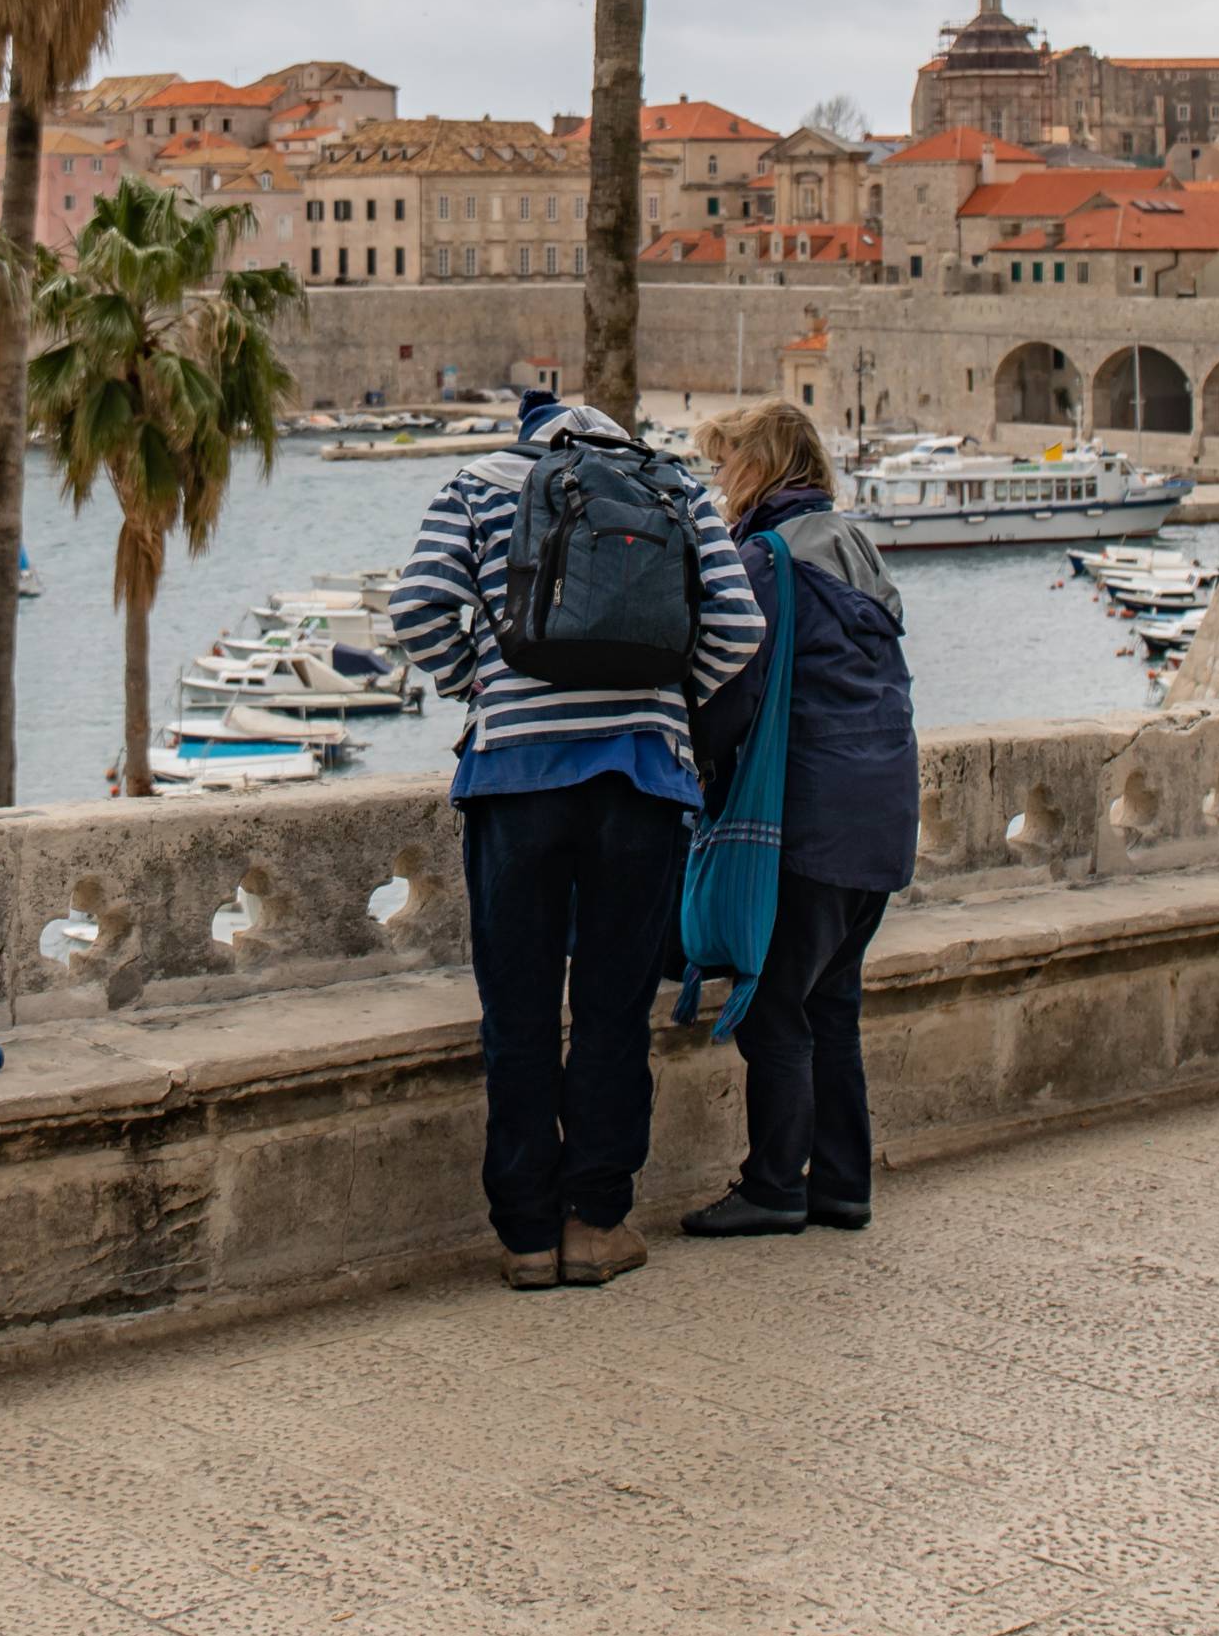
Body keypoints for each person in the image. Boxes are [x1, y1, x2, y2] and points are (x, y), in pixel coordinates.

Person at [391, 389, 765, 1291]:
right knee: (611, 1009)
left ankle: (524, 1236)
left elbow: (416, 610)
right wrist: (668, 701)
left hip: (514, 776)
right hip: (641, 780)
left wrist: (481, 692)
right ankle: (595, 1222)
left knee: (516, 1011)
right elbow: (739, 628)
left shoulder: (479, 482)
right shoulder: (671, 482)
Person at [680, 399, 918, 1240]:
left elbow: (732, 691)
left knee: (777, 1004)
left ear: (758, 467)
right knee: (832, 1004)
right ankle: (842, 1184)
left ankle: (776, 1183)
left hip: (813, 819)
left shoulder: (766, 559)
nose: (718, 482)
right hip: (884, 814)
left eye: (725, 464)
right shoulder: (854, 544)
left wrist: (690, 763)